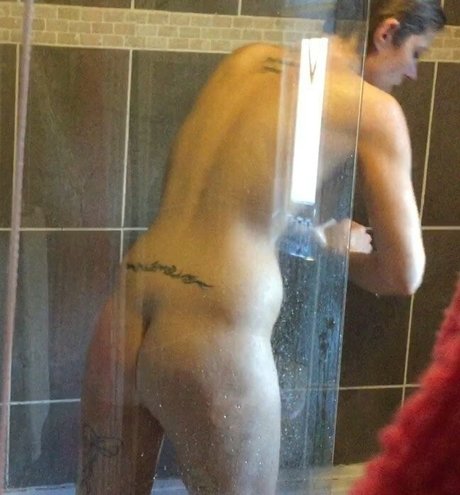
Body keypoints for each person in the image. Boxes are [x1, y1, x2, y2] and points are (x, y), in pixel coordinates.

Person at [77, 1, 446, 493]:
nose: (413, 73)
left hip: (128, 306)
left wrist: (316, 236)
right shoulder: (374, 110)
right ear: (387, 32)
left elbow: (243, 203)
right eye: (416, 53)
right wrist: (339, 249)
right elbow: (405, 273)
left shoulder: (246, 61)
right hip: (213, 330)